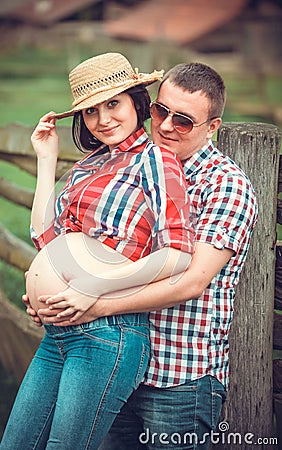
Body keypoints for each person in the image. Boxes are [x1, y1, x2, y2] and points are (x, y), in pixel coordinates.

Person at [27, 62, 258, 450]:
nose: (166, 126)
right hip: (118, 360)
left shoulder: (225, 185)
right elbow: (95, 250)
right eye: (160, 111)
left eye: (184, 121)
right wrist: (55, 294)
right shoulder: (127, 167)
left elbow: (192, 280)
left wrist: (92, 301)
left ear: (211, 128)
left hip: (178, 376)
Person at [0, 53, 194, 450]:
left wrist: (92, 282)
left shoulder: (155, 160)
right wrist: (46, 161)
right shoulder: (89, 166)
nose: (103, 119)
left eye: (113, 104)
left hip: (108, 333)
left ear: (136, 102)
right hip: (59, 331)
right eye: (90, 111)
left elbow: (178, 252)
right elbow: (46, 238)